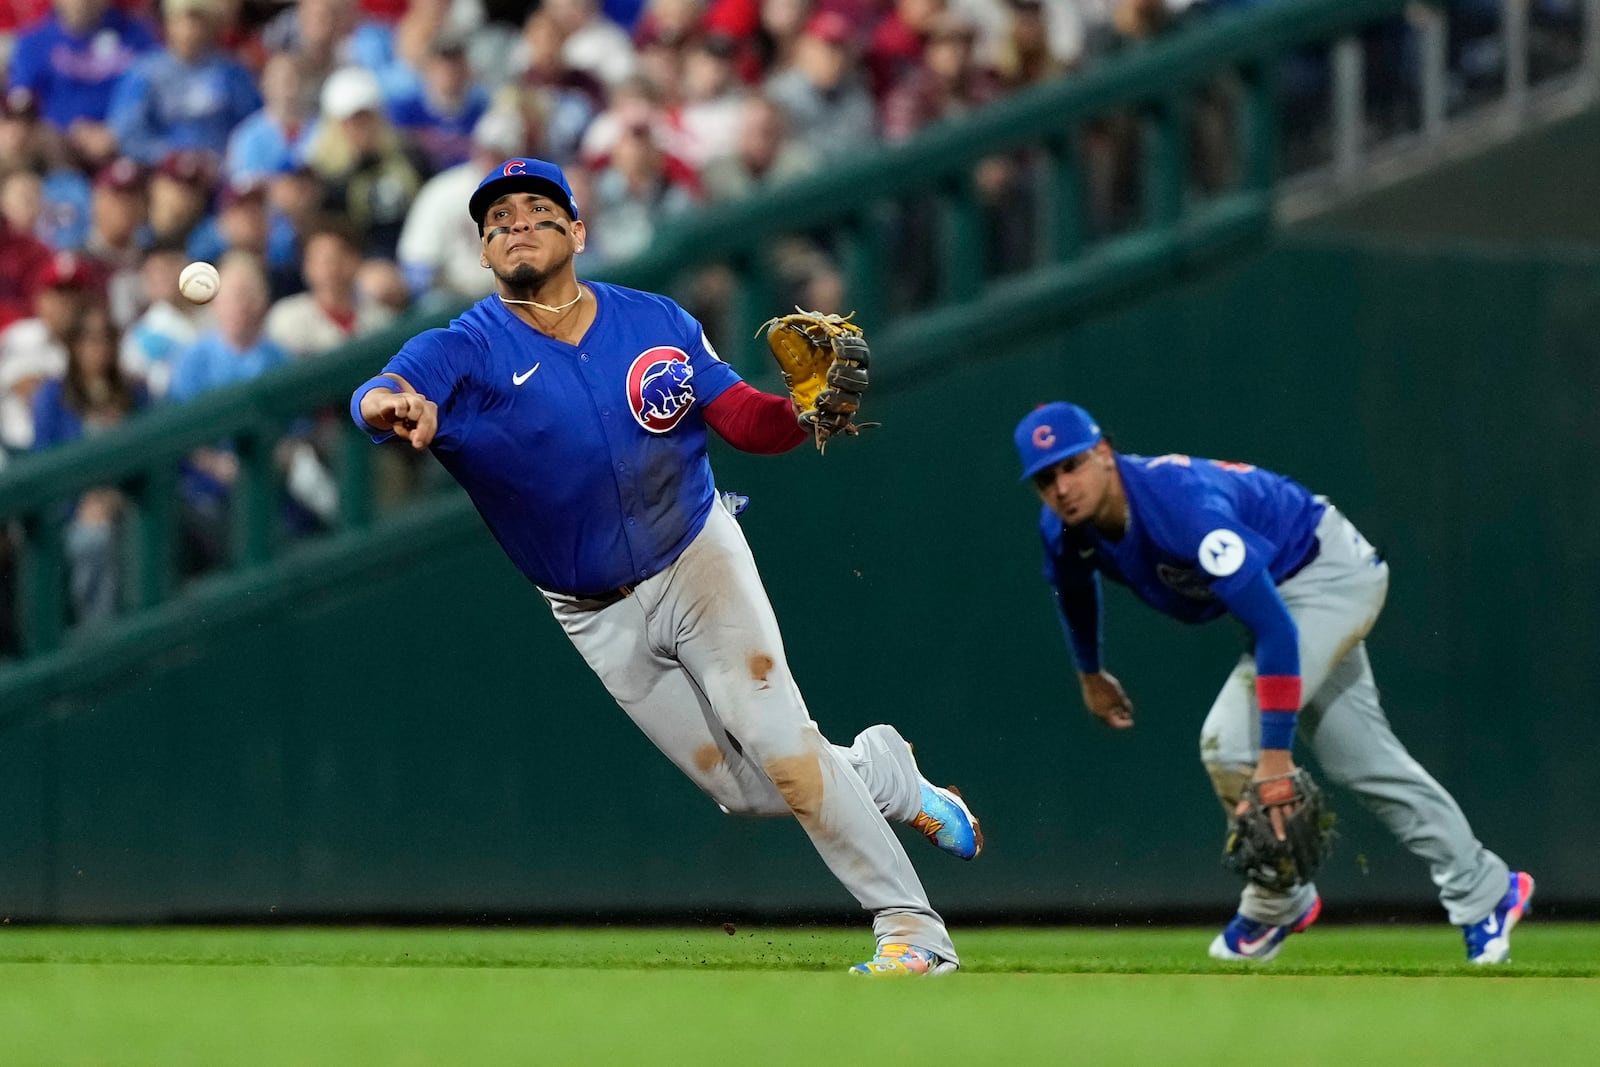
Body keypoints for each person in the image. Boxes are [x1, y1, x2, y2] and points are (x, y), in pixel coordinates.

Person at [350, 156, 982, 977]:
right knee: (752, 790)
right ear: (481, 253)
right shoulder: (464, 347)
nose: (516, 226)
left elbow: (744, 422)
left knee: (780, 742)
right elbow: (379, 390)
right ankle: (883, 774)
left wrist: (796, 411)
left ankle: (913, 931)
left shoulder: (655, 321)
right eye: (497, 220)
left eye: (537, 210)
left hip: (695, 552)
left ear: (578, 232)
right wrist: (390, 405)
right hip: (590, 606)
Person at [1012, 400, 1535, 965]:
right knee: (1366, 762)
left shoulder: (1180, 508)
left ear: (1105, 454)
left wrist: (1276, 758)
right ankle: (1487, 890)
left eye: (1072, 465)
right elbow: (1075, 588)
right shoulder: (1063, 529)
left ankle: (1276, 900)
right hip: (1290, 592)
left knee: (1230, 743)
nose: (1062, 487)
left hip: (1325, 577)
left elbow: (1276, 630)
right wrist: (1090, 672)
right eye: (1046, 478)